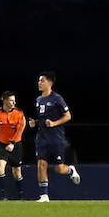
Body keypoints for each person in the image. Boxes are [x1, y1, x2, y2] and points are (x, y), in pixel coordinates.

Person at [30, 72, 80, 200]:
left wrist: (54, 123)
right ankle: (44, 195)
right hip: (42, 138)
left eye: (42, 81)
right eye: (39, 81)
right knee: (41, 164)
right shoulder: (38, 100)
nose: (39, 83)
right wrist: (35, 123)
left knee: (59, 168)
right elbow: (42, 118)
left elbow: (68, 116)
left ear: (50, 83)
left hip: (56, 138)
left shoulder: (57, 98)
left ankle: (70, 170)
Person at [0, 92, 27, 198]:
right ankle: (3, 195)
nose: (14, 102)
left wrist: (13, 143)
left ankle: (21, 195)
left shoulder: (19, 113)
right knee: (0, 168)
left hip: (16, 145)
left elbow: (20, 129)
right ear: (4, 101)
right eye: (11, 100)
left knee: (17, 172)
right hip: (2, 144)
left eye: (14, 100)